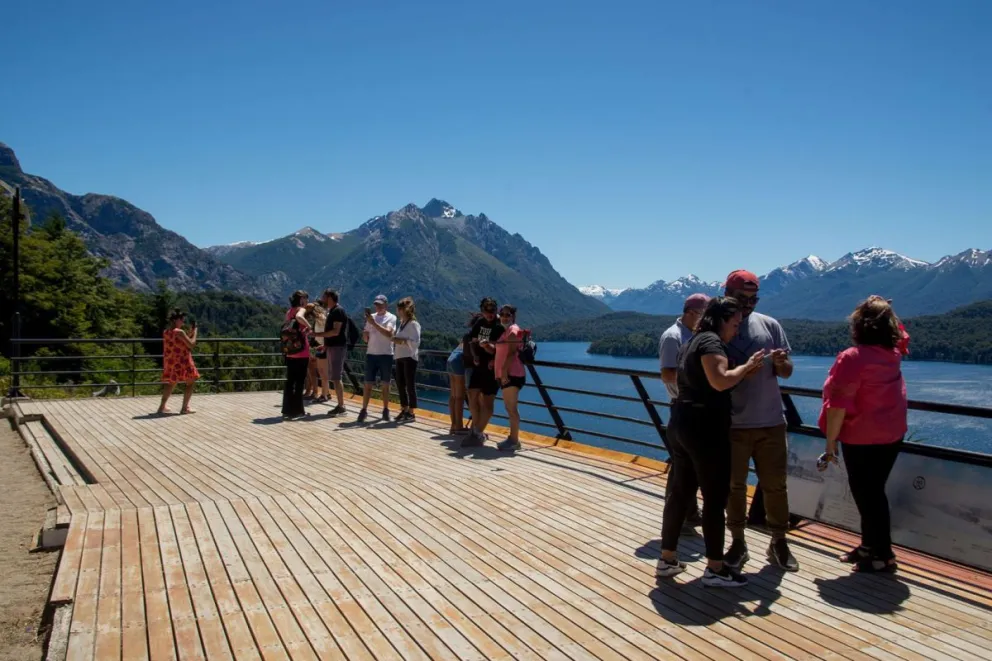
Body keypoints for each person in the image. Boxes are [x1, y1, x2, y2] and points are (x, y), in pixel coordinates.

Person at [655, 297, 765, 587]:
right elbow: (720, 381)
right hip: (705, 427)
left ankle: (667, 559)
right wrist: (747, 367)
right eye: (734, 324)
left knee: (680, 492)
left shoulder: (690, 341)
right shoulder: (711, 343)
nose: (736, 331)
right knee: (715, 498)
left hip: (680, 420)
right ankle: (716, 568)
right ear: (720, 320)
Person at [818, 295, 909, 573]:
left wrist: (830, 443)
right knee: (873, 492)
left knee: (867, 496)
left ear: (859, 326)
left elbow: (837, 406)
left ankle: (883, 555)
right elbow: (902, 334)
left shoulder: (852, 358)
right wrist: (884, 308)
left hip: (861, 437)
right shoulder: (893, 353)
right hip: (891, 434)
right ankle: (869, 546)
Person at [721, 269, 799, 573]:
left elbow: (788, 372)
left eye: (753, 299)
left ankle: (779, 540)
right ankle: (737, 542)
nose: (748, 304)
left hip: (770, 422)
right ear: (727, 292)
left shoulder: (770, 325)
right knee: (734, 487)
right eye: (742, 298)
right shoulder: (716, 328)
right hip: (733, 424)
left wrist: (781, 362)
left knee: (775, 486)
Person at [659, 293, 710, 533]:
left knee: (689, 466)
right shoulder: (673, 337)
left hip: (699, 407)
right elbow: (668, 374)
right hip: (682, 406)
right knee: (682, 468)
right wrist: (701, 379)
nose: (706, 320)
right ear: (690, 312)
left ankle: (689, 513)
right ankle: (676, 517)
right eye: (703, 315)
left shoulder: (699, 336)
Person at [461, 298, 504, 447]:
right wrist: (476, 356)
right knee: (472, 394)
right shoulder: (480, 323)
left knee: (487, 402)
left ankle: (477, 432)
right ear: (482, 311)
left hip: (492, 368)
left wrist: (489, 350)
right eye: (487, 311)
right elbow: (472, 341)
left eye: (492, 311)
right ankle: (476, 430)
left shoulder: (499, 326)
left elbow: (501, 349)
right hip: (479, 366)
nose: (490, 314)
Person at [359, 294, 397, 423]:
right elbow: (366, 338)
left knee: (385, 384)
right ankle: (363, 410)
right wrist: (365, 332)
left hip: (386, 354)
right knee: (367, 383)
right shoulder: (371, 318)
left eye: (380, 304)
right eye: (376, 304)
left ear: (386, 305)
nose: (378, 307)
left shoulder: (391, 318)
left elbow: (389, 333)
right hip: (371, 354)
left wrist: (373, 324)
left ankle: (386, 410)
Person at [311, 289, 348, 416]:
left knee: (337, 377)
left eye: (323, 296)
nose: (321, 299)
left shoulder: (338, 311)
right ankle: (340, 405)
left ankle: (341, 406)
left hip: (338, 347)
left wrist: (317, 334)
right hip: (332, 347)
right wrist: (325, 346)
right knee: (335, 377)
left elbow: (336, 331)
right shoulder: (332, 311)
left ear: (330, 298)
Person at [495, 304, 527, 452]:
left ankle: (514, 441)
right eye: (502, 314)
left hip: (512, 374)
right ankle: (512, 439)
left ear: (513, 316)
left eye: (508, 314)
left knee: (511, 408)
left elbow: (512, 353)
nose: (504, 317)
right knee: (510, 408)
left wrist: (504, 372)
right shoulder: (507, 330)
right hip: (510, 373)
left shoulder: (513, 330)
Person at [158, 309, 200, 415]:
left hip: (172, 361)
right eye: (181, 320)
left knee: (171, 382)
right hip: (183, 361)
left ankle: (161, 407)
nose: (183, 322)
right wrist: (195, 332)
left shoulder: (166, 332)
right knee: (190, 382)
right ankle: (184, 408)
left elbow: (180, 342)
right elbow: (192, 344)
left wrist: (189, 334)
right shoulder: (179, 332)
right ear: (176, 320)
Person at [282, 290, 313, 420]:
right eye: (306, 299)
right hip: (301, 351)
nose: (307, 302)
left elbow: (286, 326)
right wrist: (309, 326)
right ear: (301, 300)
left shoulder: (289, 312)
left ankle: (287, 409)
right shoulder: (300, 310)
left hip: (290, 351)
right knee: (300, 382)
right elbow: (300, 317)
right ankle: (298, 411)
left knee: (290, 381)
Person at [391, 297, 422, 422]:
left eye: (400, 309)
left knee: (409, 385)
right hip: (400, 356)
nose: (398, 311)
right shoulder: (402, 323)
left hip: (409, 357)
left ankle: (411, 411)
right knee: (400, 384)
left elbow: (415, 342)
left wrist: (400, 341)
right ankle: (404, 408)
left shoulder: (414, 324)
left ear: (405, 310)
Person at [445, 340, 471, 435]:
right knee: (459, 397)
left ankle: (453, 425)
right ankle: (459, 426)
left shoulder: (464, 339)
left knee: (453, 396)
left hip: (451, 359)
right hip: (458, 361)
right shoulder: (474, 337)